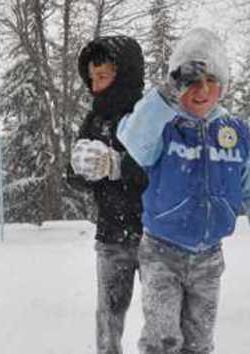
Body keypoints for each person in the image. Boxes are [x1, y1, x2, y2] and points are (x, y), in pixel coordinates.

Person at [116, 28, 250, 354]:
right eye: (192, 81)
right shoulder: (162, 126)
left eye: (211, 80)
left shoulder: (238, 133)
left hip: (209, 256)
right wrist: (166, 95)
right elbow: (133, 141)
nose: (202, 90)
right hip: (161, 252)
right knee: (162, 340)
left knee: (199, 342)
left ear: (222, 85)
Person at [68, 35, 147, 354]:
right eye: (92, 77)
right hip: (112, 234)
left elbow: (161, 171)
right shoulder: (94, 119)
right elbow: (75, 178)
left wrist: (119, 166)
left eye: (103, 76)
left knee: (161, 320)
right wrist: (79, 168)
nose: (96, 84)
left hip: (154, 236)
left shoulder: (148, 116)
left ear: (124, 73)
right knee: (109, 319)